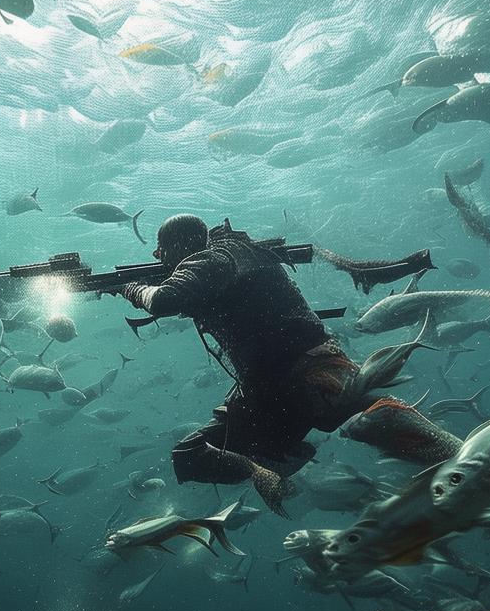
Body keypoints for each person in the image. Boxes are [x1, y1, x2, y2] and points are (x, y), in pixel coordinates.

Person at [121, 215, 361, 515]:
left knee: (188, 455)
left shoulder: (209, 260)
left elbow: (162, 300)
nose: (156, 254)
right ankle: (290, 452)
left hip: (279, 384)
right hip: (311, 369)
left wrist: (131, 289)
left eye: (162, 247)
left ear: (178, 245)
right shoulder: (242, 254)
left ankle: (262, 470)